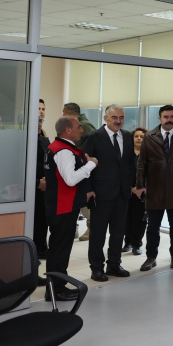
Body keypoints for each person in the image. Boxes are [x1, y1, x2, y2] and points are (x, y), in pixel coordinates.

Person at [136, 105, 173, 271]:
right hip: (154, 187)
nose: (169, 120)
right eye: (166, 117)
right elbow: (141, 164)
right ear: (159, 118)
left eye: (172, 116)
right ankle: (151, 257)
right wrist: (140, 185)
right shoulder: (150, 137)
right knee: (153, 226)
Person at [44, 116, 97, 302]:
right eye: (78, 127)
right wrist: (91, 164)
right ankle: (56, 290)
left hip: (61, 205)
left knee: (59, 249)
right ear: (67, 130)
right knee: (59, 250)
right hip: (62, 206)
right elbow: (71, 179)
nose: (82, 130)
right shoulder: (63, 150)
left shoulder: (59, 147)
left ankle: (56, 287)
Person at [83, 104, 136, 282]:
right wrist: (88, 189)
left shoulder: (127, 136)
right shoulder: (93, 137)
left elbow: (130, 163)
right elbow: (86, 165)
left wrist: (131, 184)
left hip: (122, 193)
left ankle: (114, 264)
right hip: (101, 192)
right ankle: (96, 268)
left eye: (121, 117)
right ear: (105, 118)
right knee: (98, 233)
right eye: (114, 117)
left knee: (118, 232)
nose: (118, 121)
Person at [62, 102, 96, 241]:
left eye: (64, 112)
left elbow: (91, 147)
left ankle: (91, 226)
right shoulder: (73, 124)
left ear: (69, 112)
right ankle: (74, 228)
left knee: (84, 202)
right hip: (74, 168)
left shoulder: (85, 125)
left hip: (83, 169)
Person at [123, 127, 149, 256]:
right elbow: (121, 172)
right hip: (126, 191)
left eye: (142, 137)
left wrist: (141, 187)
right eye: (136, 136)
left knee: (140, 220)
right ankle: (127, 242)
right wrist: (129, 187)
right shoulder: (126, 154)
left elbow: (152, 174)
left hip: (142, 193)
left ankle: (136, 244)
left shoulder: (149, 155)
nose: (139, 139)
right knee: (126, 218)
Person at [33, 116, 50, 260]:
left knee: (42, 220)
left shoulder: (44, 141)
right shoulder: (21, 141)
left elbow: (50, 163)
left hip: (44, 188)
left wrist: (48, 181)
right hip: (27, 190)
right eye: (36, 121)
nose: (39, 124)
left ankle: (42, 248)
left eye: (40, 121)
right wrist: (36, 182)